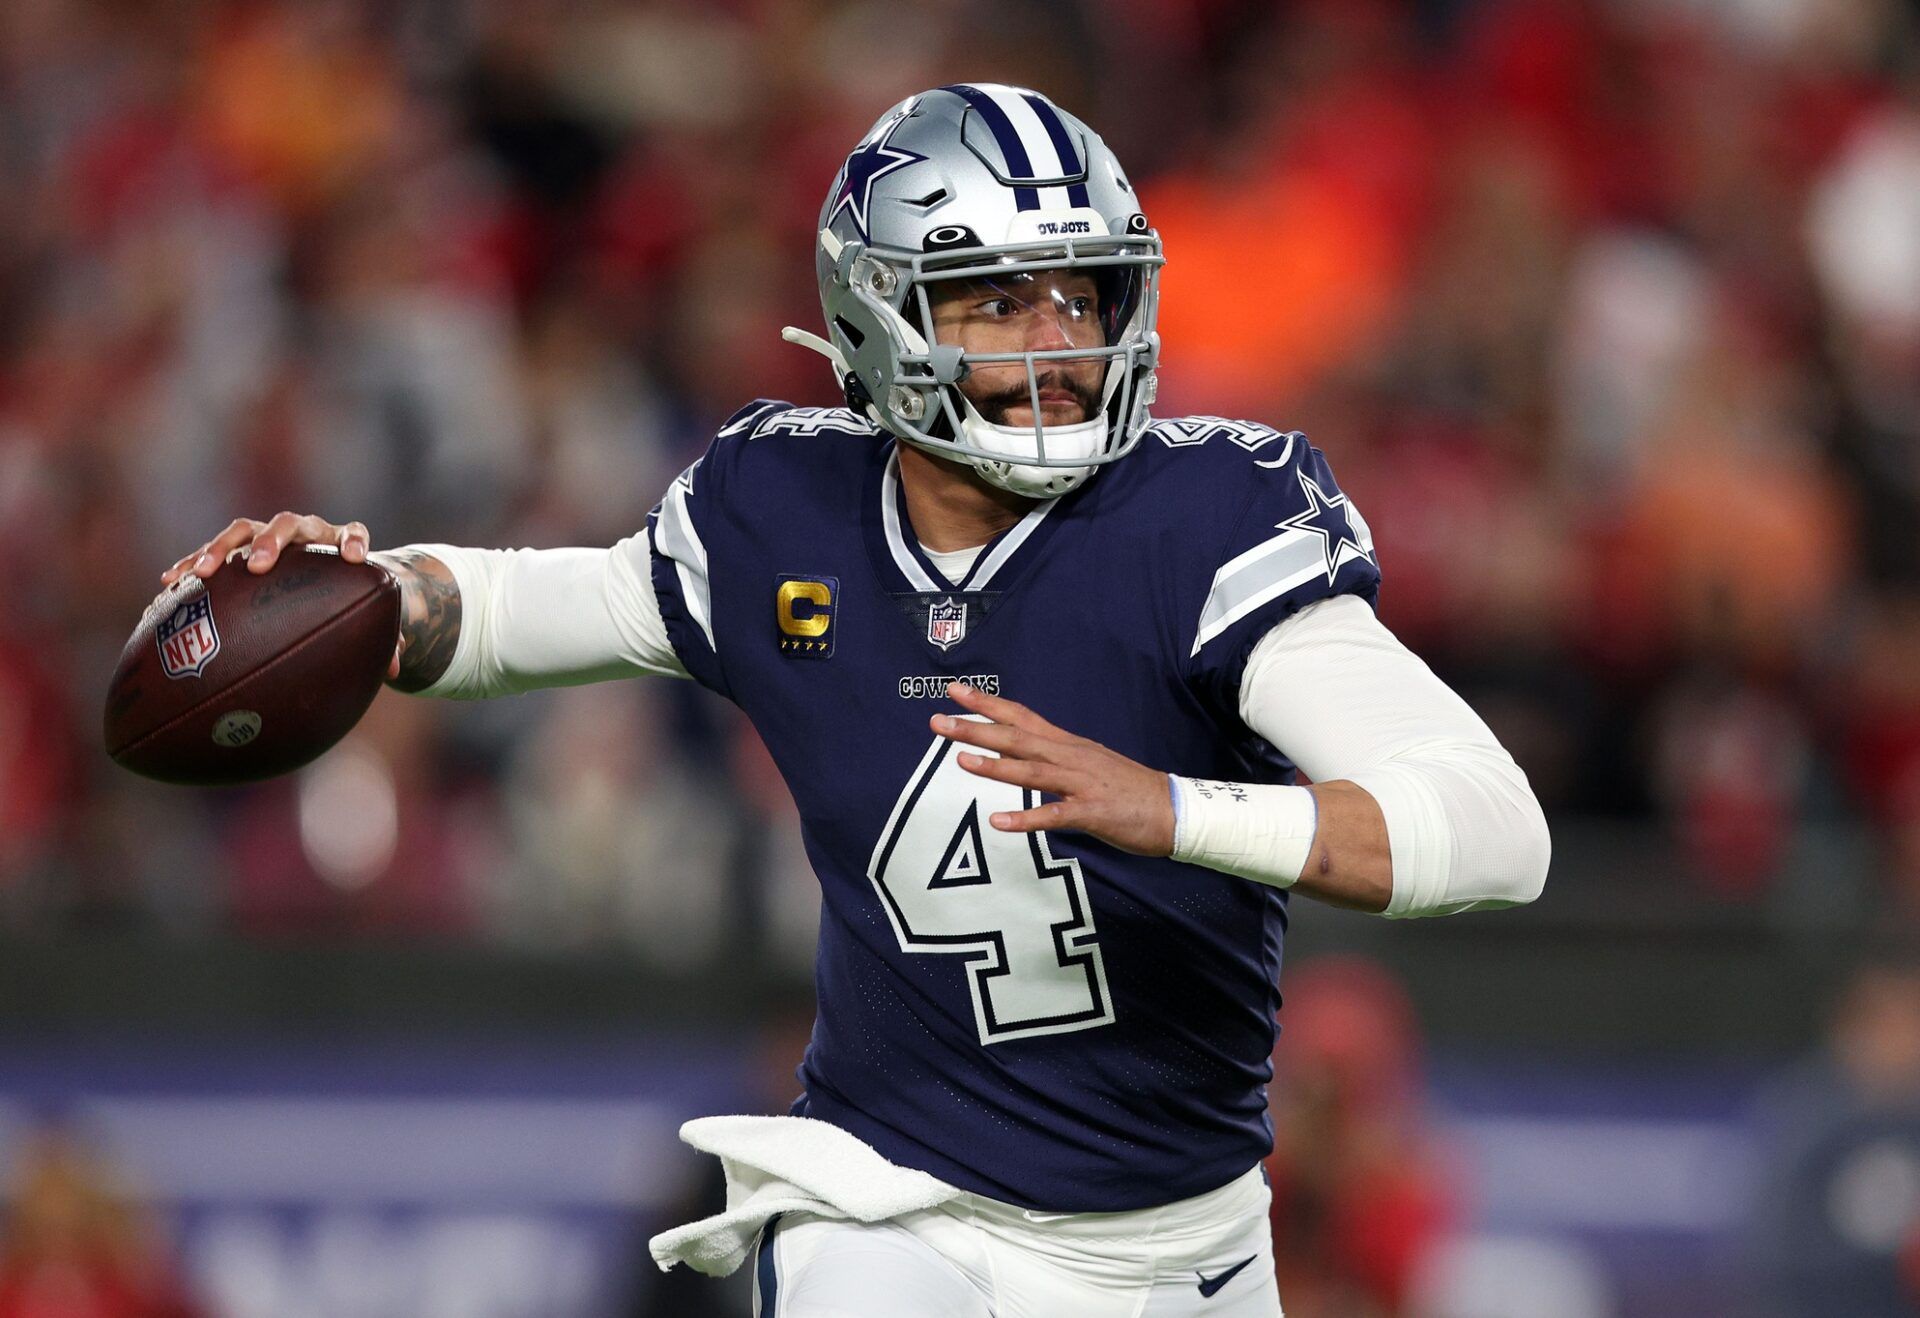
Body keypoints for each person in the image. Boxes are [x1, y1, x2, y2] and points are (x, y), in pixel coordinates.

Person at [162, 84, 1549, 1318]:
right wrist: (364, 589)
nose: (1056, 340)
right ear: (876, 311)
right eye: (999, 297)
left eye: (1083, 294)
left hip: (1181, 1242)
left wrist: (1171, 808)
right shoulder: (784, 513)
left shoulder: (1206, 524)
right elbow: (535, 609)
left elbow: (1495, 830)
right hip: (895, 1203)